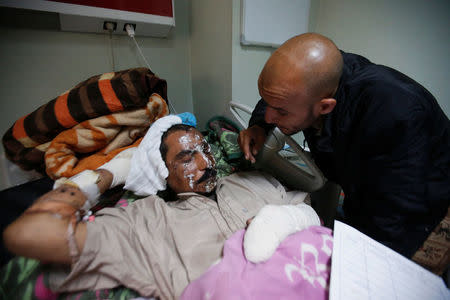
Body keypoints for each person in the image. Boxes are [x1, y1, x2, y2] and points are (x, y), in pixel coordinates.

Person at [3, 115, 320, 299]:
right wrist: (104, 177)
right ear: (162, 173)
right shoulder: (146, 221)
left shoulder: (250, 180)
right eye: (185, 158)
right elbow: (32, 234)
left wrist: (281, 220)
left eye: (204, 149)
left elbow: (313, 214)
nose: (204, 161)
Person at [238, 32, 450, 258]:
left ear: (325, 106)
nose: (271, 117)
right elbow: (278, 97)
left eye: (280, 112)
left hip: (420, 195)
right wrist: (260, 125)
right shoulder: (314, 76)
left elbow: (393, 221)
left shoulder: (397, 115)